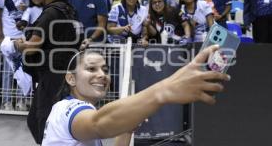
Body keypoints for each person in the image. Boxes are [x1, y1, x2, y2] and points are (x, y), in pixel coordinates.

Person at [41, 46, 230, 146]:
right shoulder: (70, 109)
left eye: (105, 69)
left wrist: (126, 130)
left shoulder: (65, 109)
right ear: (71, 79)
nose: (102, 75)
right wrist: (165, 90)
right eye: (91, 69)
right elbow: (98, 124)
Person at [13, 0, 83, 144]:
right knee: (39, 120)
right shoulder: (70, 10)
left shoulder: (51, 12)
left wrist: (18, 45)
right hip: (67, 73)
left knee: (43, 121)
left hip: (52, 75)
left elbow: (31, 48)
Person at [0, 0, 29, 111]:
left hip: (22, 37)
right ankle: (6, 102)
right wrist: (1, 36)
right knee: (8, 72)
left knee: (23, 70)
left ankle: (22, 100)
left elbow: (28, 12)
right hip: (8, 38)